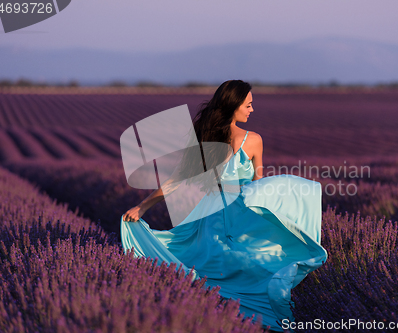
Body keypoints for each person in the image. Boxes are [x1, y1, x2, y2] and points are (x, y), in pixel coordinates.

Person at [121, 80, 327, 332]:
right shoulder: (252, 140)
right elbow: (259, 184)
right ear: (233, 106)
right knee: (254, 272)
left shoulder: (206, 138)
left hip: (210, 219)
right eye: (248, 105)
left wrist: (143, 207)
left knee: (211, 278)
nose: (252, 110)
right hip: (239, 219)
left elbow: (177, 179)